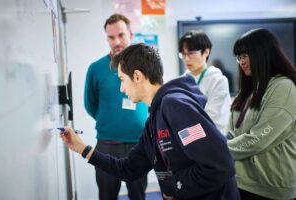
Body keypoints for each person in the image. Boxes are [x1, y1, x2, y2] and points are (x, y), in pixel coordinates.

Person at [62, 43, 240, 200]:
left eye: (122, 80)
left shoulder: (175, 107)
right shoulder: (154, 119)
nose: (122, 88)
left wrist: (173, 187)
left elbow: (220, 166)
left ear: (137, 76)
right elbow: (129, 169)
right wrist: (81, 149)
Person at [84, 14, 148, 200]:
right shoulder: (96, 69)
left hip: (138, 144)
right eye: (111, 37)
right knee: (106, 196)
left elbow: (153, 99)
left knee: (138, 195)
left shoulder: (145, 65)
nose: (117, 41)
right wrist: (109, 120)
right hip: (107, 146)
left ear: (130, 34)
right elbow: (90, 104)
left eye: (121, 35)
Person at [227, 28, 296, 199]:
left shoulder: (283, 87)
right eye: (239, 57)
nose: (241, 62)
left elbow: (258, 139)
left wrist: (218, 150)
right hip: (241, 181)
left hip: (270, 189)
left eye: (245, 55)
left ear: (264, 53)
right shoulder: (250, 89)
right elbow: (232, 132)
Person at [179, 30, 232, 135]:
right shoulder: (181, 81)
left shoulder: (218, 81)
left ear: (206, 52)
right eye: (183, 54)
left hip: (212, 140)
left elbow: (210, 120)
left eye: (191, 53)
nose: (186, 59)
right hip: (187, 141)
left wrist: (182, 136)